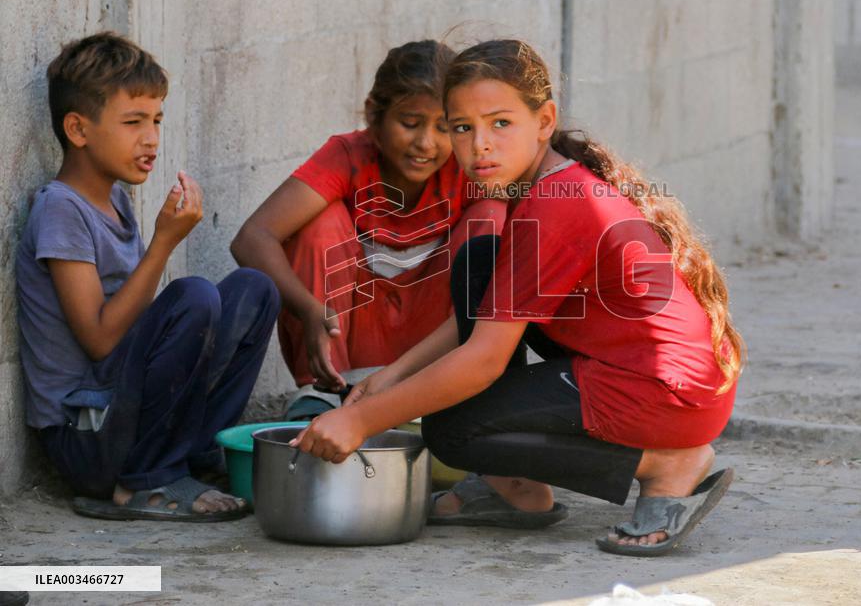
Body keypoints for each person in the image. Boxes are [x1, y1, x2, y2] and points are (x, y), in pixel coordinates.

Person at [291, 39, 745, 556]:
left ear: (544, 120)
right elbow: (492, 314)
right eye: (462, 127)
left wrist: (358, 420)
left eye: (500, 123)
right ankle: (520, 491)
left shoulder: (551, 208)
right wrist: (394, 377)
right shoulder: (550, 187)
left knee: (454, 429)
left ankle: (664, 464)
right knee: (478, 263)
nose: (479, 144)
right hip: (658, 378)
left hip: (665, 396)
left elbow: (483, 361)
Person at [15, 32, 279, 521]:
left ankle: (194, 454)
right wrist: (163, 242)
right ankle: (147, 482)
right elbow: (98, 339)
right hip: (86, 436)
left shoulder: (113, 198)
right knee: (193, 296)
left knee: (255, 289)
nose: (152, 138)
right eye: (133, 122)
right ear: (78, 129)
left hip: (124, 413)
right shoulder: (61, 210)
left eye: (156, 119)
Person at [231, 40, 505, 419]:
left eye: (444, 127)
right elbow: (252, 237)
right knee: (319, 221)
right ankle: (320, 393)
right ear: (374, 115)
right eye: (409, 123)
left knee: (493, 218)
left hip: (430, 353)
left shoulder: (468, 164)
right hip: (346, 348)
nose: (425, 143)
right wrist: (309, 309)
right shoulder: (348, 156)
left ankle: (453, 386)